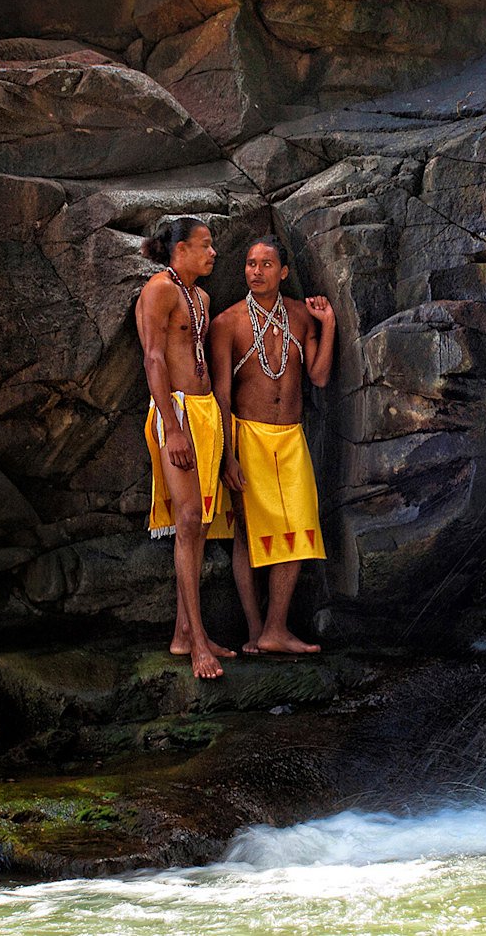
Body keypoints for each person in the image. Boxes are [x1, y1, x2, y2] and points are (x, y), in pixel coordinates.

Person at [212, 234, 335, 655]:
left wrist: (329, 325)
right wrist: (227, 457)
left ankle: (276, 628)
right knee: (248, 534)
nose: (256, 271)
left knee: (299, 528)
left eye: (266, 265)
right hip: (248, 436)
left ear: (283, 272)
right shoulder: (227, 323)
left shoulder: (301, 317)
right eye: (250, 264)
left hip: (291, 437)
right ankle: (254, 630)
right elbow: (222, 397)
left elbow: (317, 376)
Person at [135, 216, 233, 679]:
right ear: (180, 250)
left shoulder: (202, 296)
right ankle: (198, 643)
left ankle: (184, 632)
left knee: (198, 524)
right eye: (205, 245)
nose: (213, 253)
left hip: (205, 412)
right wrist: (172, 428)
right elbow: (154, 357)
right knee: (189, 519)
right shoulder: (159, 289)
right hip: (175, 413)